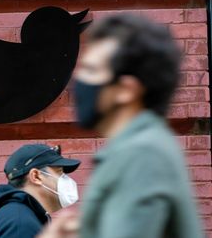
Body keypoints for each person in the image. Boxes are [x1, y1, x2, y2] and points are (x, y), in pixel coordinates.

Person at [39, 13, 204, 238]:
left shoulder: (141, 153)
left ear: (126, 90)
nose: (78, 82)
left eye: (91, 70)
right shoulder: (142, 147)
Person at [0, 144, 81, 238]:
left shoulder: (22, 216)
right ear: (36, 176)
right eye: (59, 172)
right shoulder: (20, 225)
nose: (66, 179)